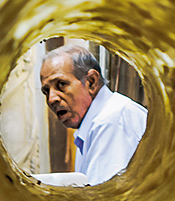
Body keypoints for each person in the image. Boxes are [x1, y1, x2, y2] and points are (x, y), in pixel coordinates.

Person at [39, 44, 147, 185]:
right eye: (46, 91)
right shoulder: (92, 127)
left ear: (91, 82)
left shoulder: (111, 120)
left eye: (61, 84)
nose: (51, 99)